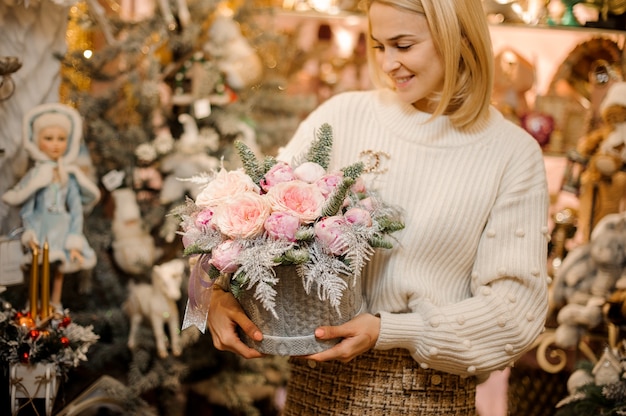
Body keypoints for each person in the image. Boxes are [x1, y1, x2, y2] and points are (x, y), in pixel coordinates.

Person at [206, 0, 550, 413]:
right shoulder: (342, 115)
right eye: (379, 45)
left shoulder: (512, 153)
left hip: (427, 396)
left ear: (458, 37)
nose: (388, 63)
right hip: (316, 391)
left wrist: (394, 331)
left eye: (403, 45)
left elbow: (516, 315)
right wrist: (215, 294)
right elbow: (257, 227)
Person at [3, 103, 100, 313]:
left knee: (59, 269)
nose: (56, 145)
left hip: (62, 229)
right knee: (37, 267)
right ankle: (35, 302)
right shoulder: (36, 175)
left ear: (69, 141)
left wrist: (74, 236)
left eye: (61, 138)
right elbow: (27, 207)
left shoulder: (69, 176)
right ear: (36, 141)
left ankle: (55, 304)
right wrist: (29, 230)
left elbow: (75, 209)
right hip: (40, 227)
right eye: (49, 138)